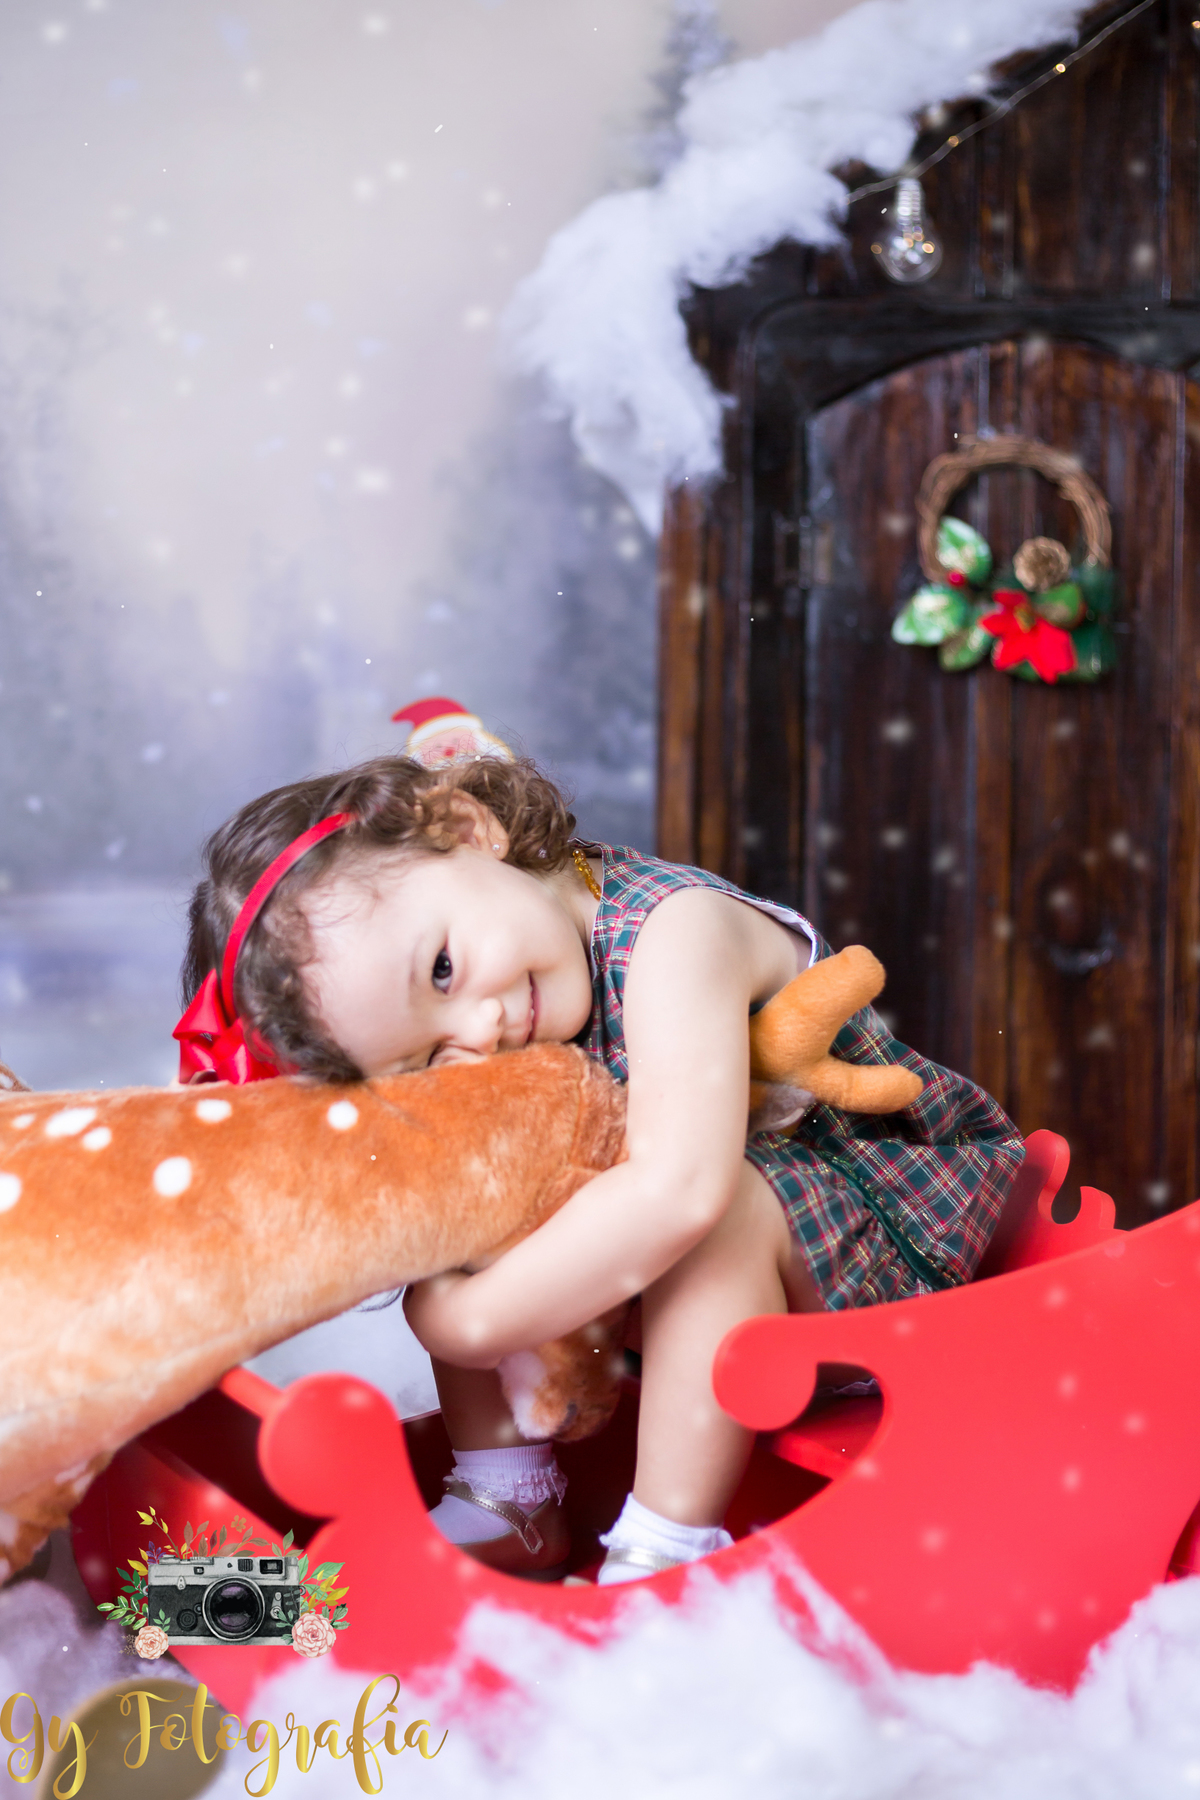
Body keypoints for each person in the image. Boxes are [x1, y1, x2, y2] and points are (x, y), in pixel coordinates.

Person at [177, 752, 1023, 1584]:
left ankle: (664, 1551)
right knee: (458, 1170)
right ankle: (507, 1502)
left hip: (887, 1246)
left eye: (442, 968)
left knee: (717, 1210)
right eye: (428, 1059)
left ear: (467, 831)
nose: (481, 1031)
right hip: (705, 1308)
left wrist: (465, 1322)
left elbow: (678, 1189)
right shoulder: (502, 1026)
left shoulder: (675, 932)